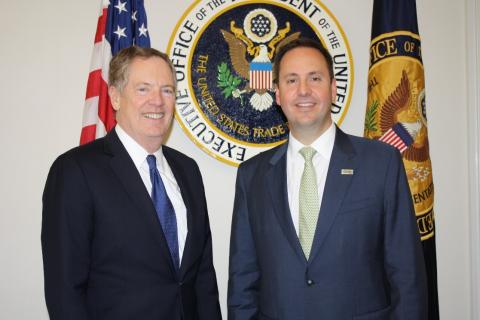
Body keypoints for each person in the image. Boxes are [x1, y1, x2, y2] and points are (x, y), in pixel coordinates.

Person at [228, 38, 427, 319]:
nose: (304, 91)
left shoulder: (381, 163)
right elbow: (242, 281)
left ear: (333, 89)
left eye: (315, 78)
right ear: (277, 94)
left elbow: (406, 273)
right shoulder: (252, 176)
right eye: (292, 80)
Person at [41, 46, 222, 320]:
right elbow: (65, 290)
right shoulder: (76, 171)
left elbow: (203, 277)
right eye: (143, 89)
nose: (157, 101)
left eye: (167, 90)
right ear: (115, 96)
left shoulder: (188, 171)